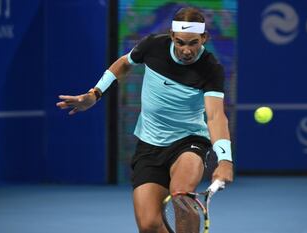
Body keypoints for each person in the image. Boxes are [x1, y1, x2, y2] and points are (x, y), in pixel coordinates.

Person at [56, 7, 234, 233]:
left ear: (204, 38)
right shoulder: (153, 46)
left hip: (189, 141)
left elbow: (215, 115)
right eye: (180, 43)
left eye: (193, 43)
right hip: (149, 145)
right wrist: (95, 94)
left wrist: (225, 159)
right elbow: (123, 64)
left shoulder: (211, 68)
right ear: (171, 36)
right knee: (148, 225)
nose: (186, 50)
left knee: (181, 194)